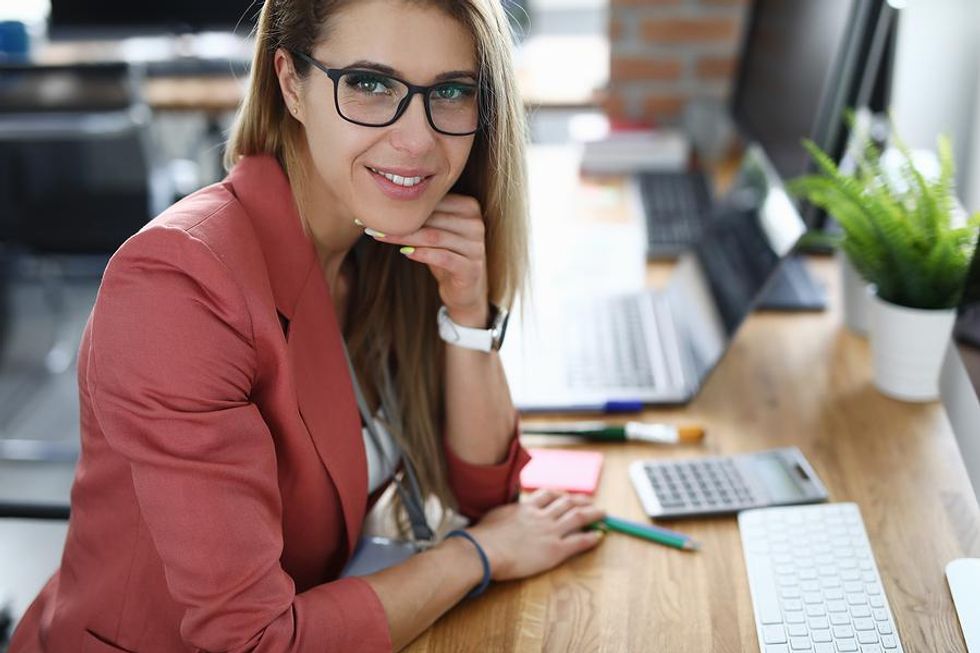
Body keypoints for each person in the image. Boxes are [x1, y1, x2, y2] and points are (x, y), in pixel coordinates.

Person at [8, 1, 606, 651]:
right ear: (291, 82)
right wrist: (474, 555)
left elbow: (485, 491)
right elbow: (257, 641)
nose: (418, 140)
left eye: (452, 92)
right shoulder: (179, 285)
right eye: (371, 85)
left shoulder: (381, 241)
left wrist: (467, 313)